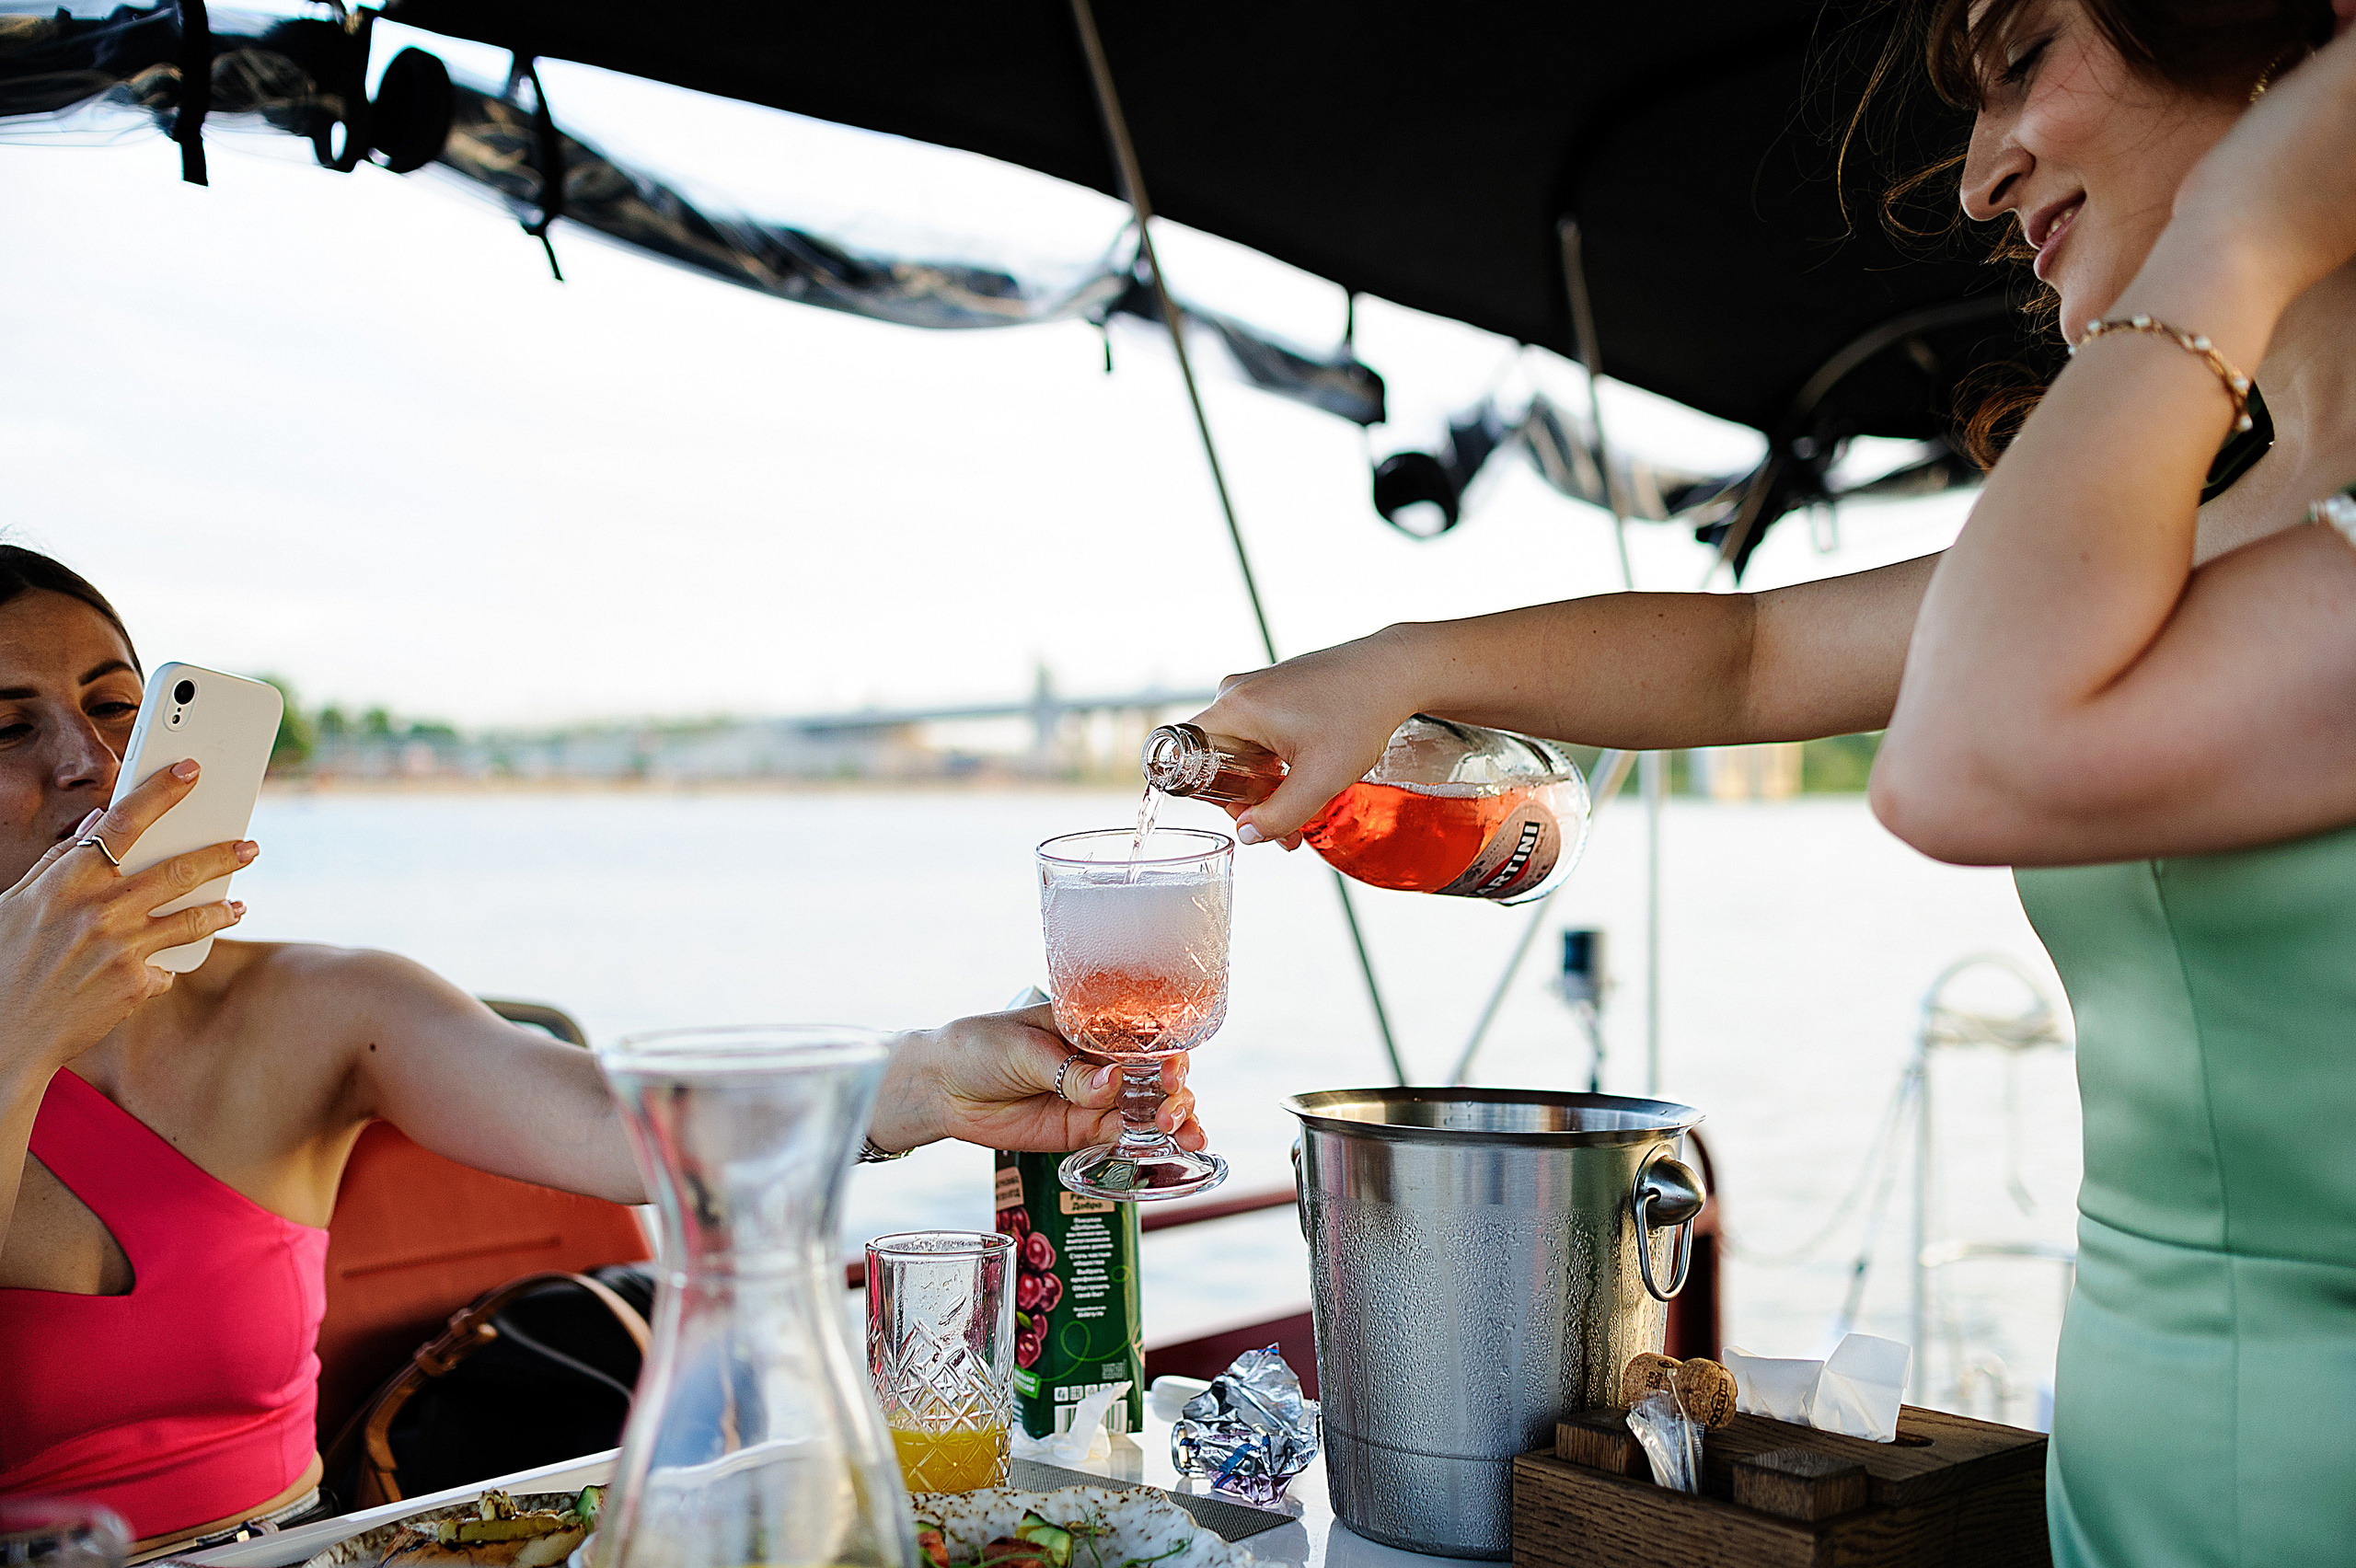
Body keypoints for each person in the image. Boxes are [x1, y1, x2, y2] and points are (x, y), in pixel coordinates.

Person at [1184, 2, 2356, 1562]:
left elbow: (1960, 760)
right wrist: (1389, 666)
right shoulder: (2227, 525)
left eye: (2023, 63)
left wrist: (2236, 232)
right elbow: (1754, 658)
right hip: (2136, 1475)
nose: (1977, 183)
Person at [0, 546, 1204, 1555]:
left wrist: (938, 1076)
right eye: (10, 726)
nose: (90, 765)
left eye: (118, 707)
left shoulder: (311, 1007)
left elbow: (622, 1121)